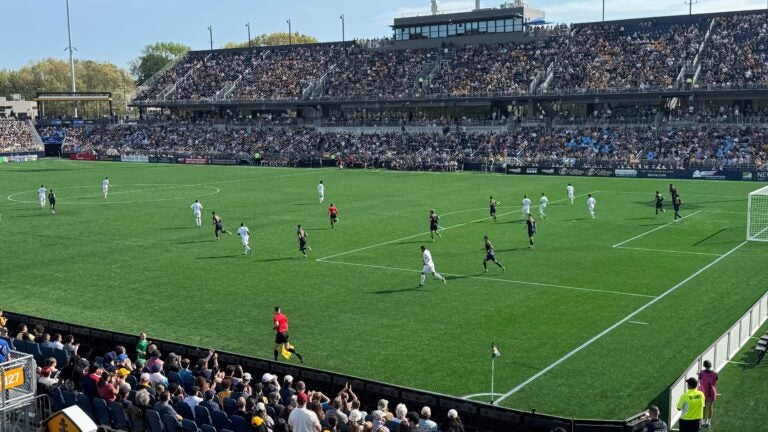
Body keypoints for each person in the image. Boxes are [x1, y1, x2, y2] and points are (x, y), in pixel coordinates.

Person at [698, 360, 718, 428]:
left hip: (703, 392)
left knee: (703, 407)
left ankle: (703, 422)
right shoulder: (715, 373)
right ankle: (708, 422)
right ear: (711, 365)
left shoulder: (701, 373)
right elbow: (715, 382)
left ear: (704, 366)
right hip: (711, 392)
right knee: (710, 407)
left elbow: (700, 380)